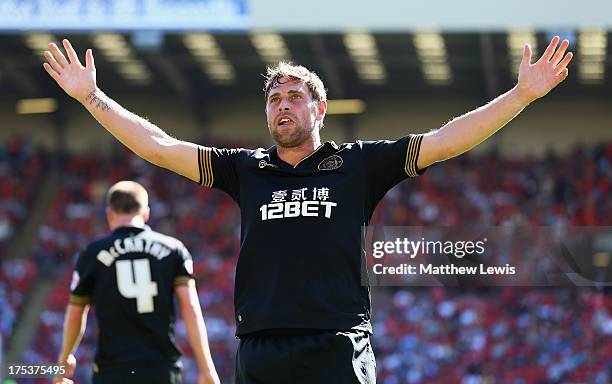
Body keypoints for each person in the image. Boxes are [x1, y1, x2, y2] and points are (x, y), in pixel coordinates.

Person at [44, 37, 572, 383]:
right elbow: (159, 146)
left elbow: (446, 140)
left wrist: (521, 95)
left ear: (319, 109)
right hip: (260, 348)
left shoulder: (359, 164)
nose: (282, 105)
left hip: (336, 343)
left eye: (294, 96)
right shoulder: (244, 168)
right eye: (274, 99)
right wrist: (93, 98)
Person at [53, 181, 220, 384]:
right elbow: (190, 307)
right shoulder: (173, 249)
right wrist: (206, 369)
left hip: (113, 370)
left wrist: (64, 361)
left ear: (109, 214)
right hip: (160, 368)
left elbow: (76, 312)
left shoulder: (93, 252)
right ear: (146, 213)